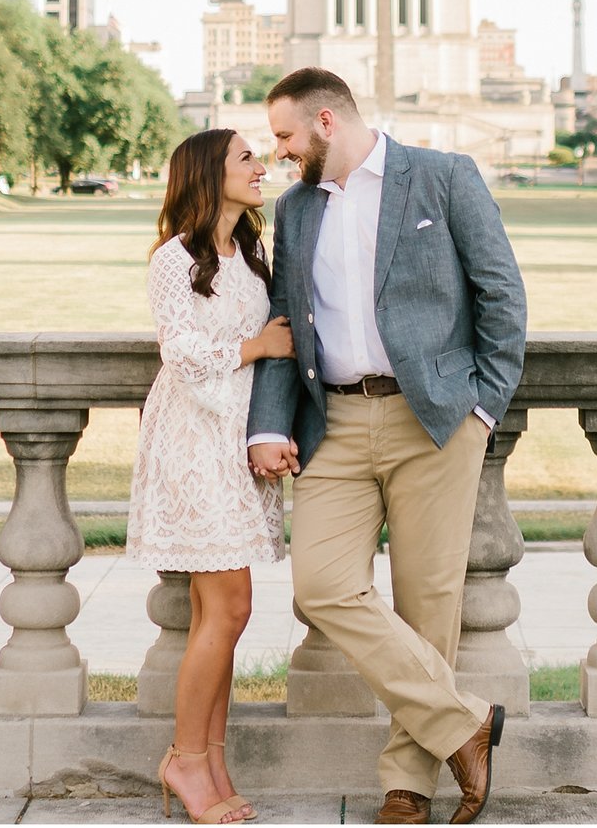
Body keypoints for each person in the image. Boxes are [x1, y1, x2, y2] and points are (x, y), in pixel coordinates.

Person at [246, 69, 528, 826]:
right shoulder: (295, 209)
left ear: (327, 122)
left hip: (432, 421)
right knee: (322, 586)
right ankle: (464, 722)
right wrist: (269, 424)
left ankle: (410, 783)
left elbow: (501, 291)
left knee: (427, 602)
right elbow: (284, 323)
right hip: (331, 426)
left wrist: (482, 406)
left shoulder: (442, 177)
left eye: (284, 136)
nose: (277, 153)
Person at [126, 127, 293, 824]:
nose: (262, 168)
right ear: (207, 174)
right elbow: (182, 351)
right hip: (196, 444)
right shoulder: (175, 258)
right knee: (226, 609)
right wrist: (258, 345)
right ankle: (185, 759)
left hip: (236, 442)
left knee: (221, 613)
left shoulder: (250, 253)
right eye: (247, 159)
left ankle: (213, 758)